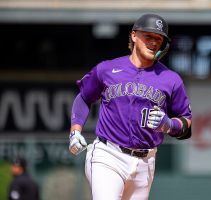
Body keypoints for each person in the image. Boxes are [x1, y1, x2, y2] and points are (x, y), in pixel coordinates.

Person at [68, 13, 192, 200]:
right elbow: (84, 97)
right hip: (108, 154)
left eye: (158, 39)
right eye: (148, 36)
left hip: (146, 162)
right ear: (134, 35)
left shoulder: (171, 79)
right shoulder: (107, 69)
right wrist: (75, 130)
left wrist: (169, 125)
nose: (154, 42)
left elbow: (186, 121)